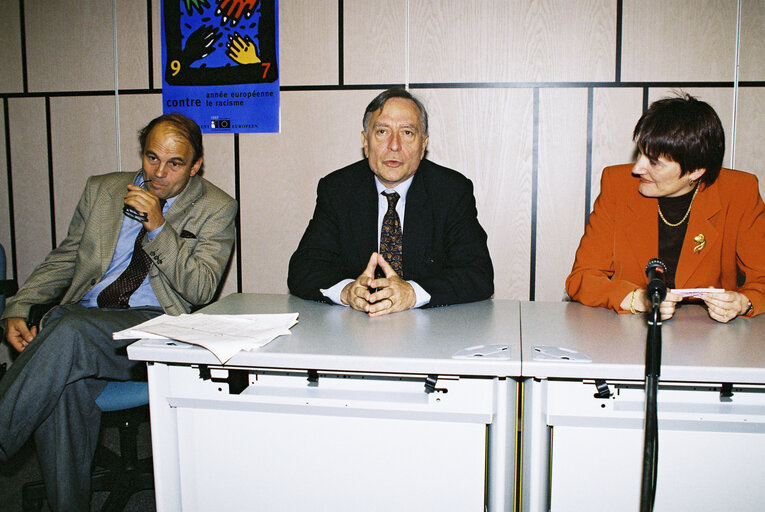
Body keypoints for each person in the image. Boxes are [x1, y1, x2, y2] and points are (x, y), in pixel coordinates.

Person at [0, 114, 237, 511]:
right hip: (83, 323)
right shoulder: (103, 190)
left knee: (66, 329)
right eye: (151, 158)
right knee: (65, 384)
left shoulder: (216, 207)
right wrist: (19, 305)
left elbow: (200, 289)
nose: (158, 173)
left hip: (153, 324)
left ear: (196, 166)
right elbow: (66, 258)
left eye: (175, 163)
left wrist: (160, 228)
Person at [288, 88, 493, 316]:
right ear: (366, 143)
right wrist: (347, 292)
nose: (394, 145)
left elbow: (478, 273)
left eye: (407, 133)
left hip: (431, 333)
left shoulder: (451, 191)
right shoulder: (337, 190)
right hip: (354, 331)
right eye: (382, 131)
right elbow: (303, 269)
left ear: (423, 144)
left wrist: (411, 293)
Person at [566, 94, 764, 322]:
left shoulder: (739, 192)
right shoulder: (617, 185)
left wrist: (743, 302)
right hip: (630, 333)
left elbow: (762, 279)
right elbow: (582, 278)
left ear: (696, 171)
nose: (638, 168)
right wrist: (635, 299)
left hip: (710, 336)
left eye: (654, 162)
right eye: (640, 152)